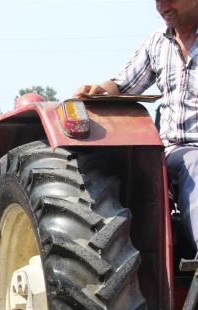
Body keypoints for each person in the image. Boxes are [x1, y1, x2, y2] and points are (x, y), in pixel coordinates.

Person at [74, 0, 198, 252]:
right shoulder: (157, 42)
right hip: (176, 150)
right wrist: (97, 91)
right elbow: (122, 85)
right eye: (157, 0)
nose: (162, 6)